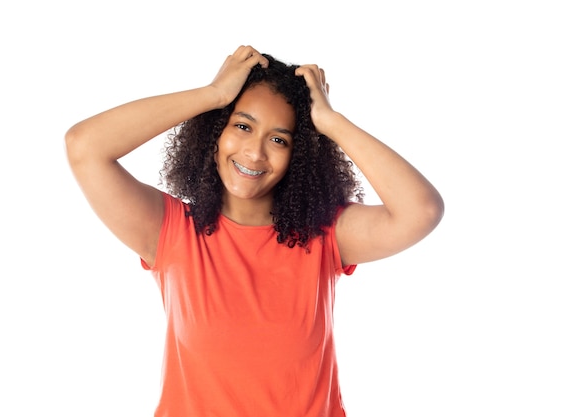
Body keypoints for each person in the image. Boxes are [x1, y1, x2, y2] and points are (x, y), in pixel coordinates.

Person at [65, 45, 444, 416]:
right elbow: (84, 146)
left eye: (279, 139)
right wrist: (212, 94)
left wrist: (330, 123)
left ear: (298, 156)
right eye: (242, 126)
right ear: (214, 133)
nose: (255, 152)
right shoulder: (171, 231)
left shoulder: (325, 235)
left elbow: (421, 210)